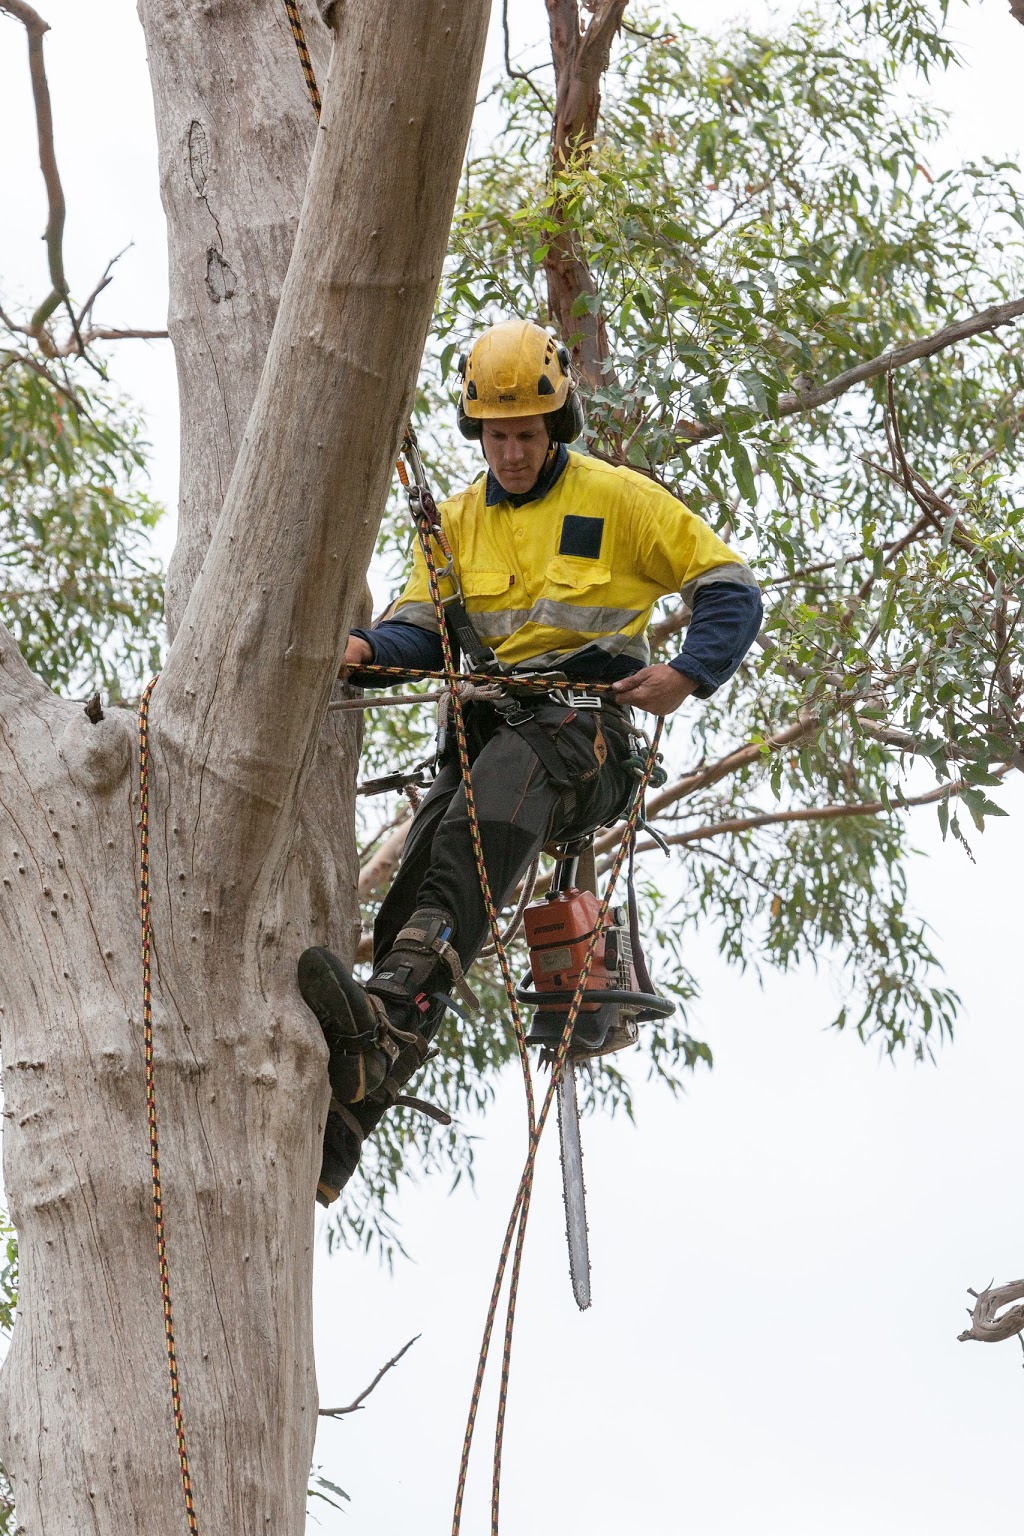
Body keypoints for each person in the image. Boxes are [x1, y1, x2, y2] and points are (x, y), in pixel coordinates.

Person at [299, 318, 763, 1204]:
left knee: (484, 818)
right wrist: (364, 650)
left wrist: (687, 673)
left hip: (585, 741)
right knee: (420, 890)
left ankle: (381, 1033)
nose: (511, 453)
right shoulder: (457, 525)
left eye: (527, 434)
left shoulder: (617, 498)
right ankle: (341, 1130)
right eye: (497, 436)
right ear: (478, 433)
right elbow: (420, 630)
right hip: (494, 743)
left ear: (558, 426)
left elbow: (730, 587)